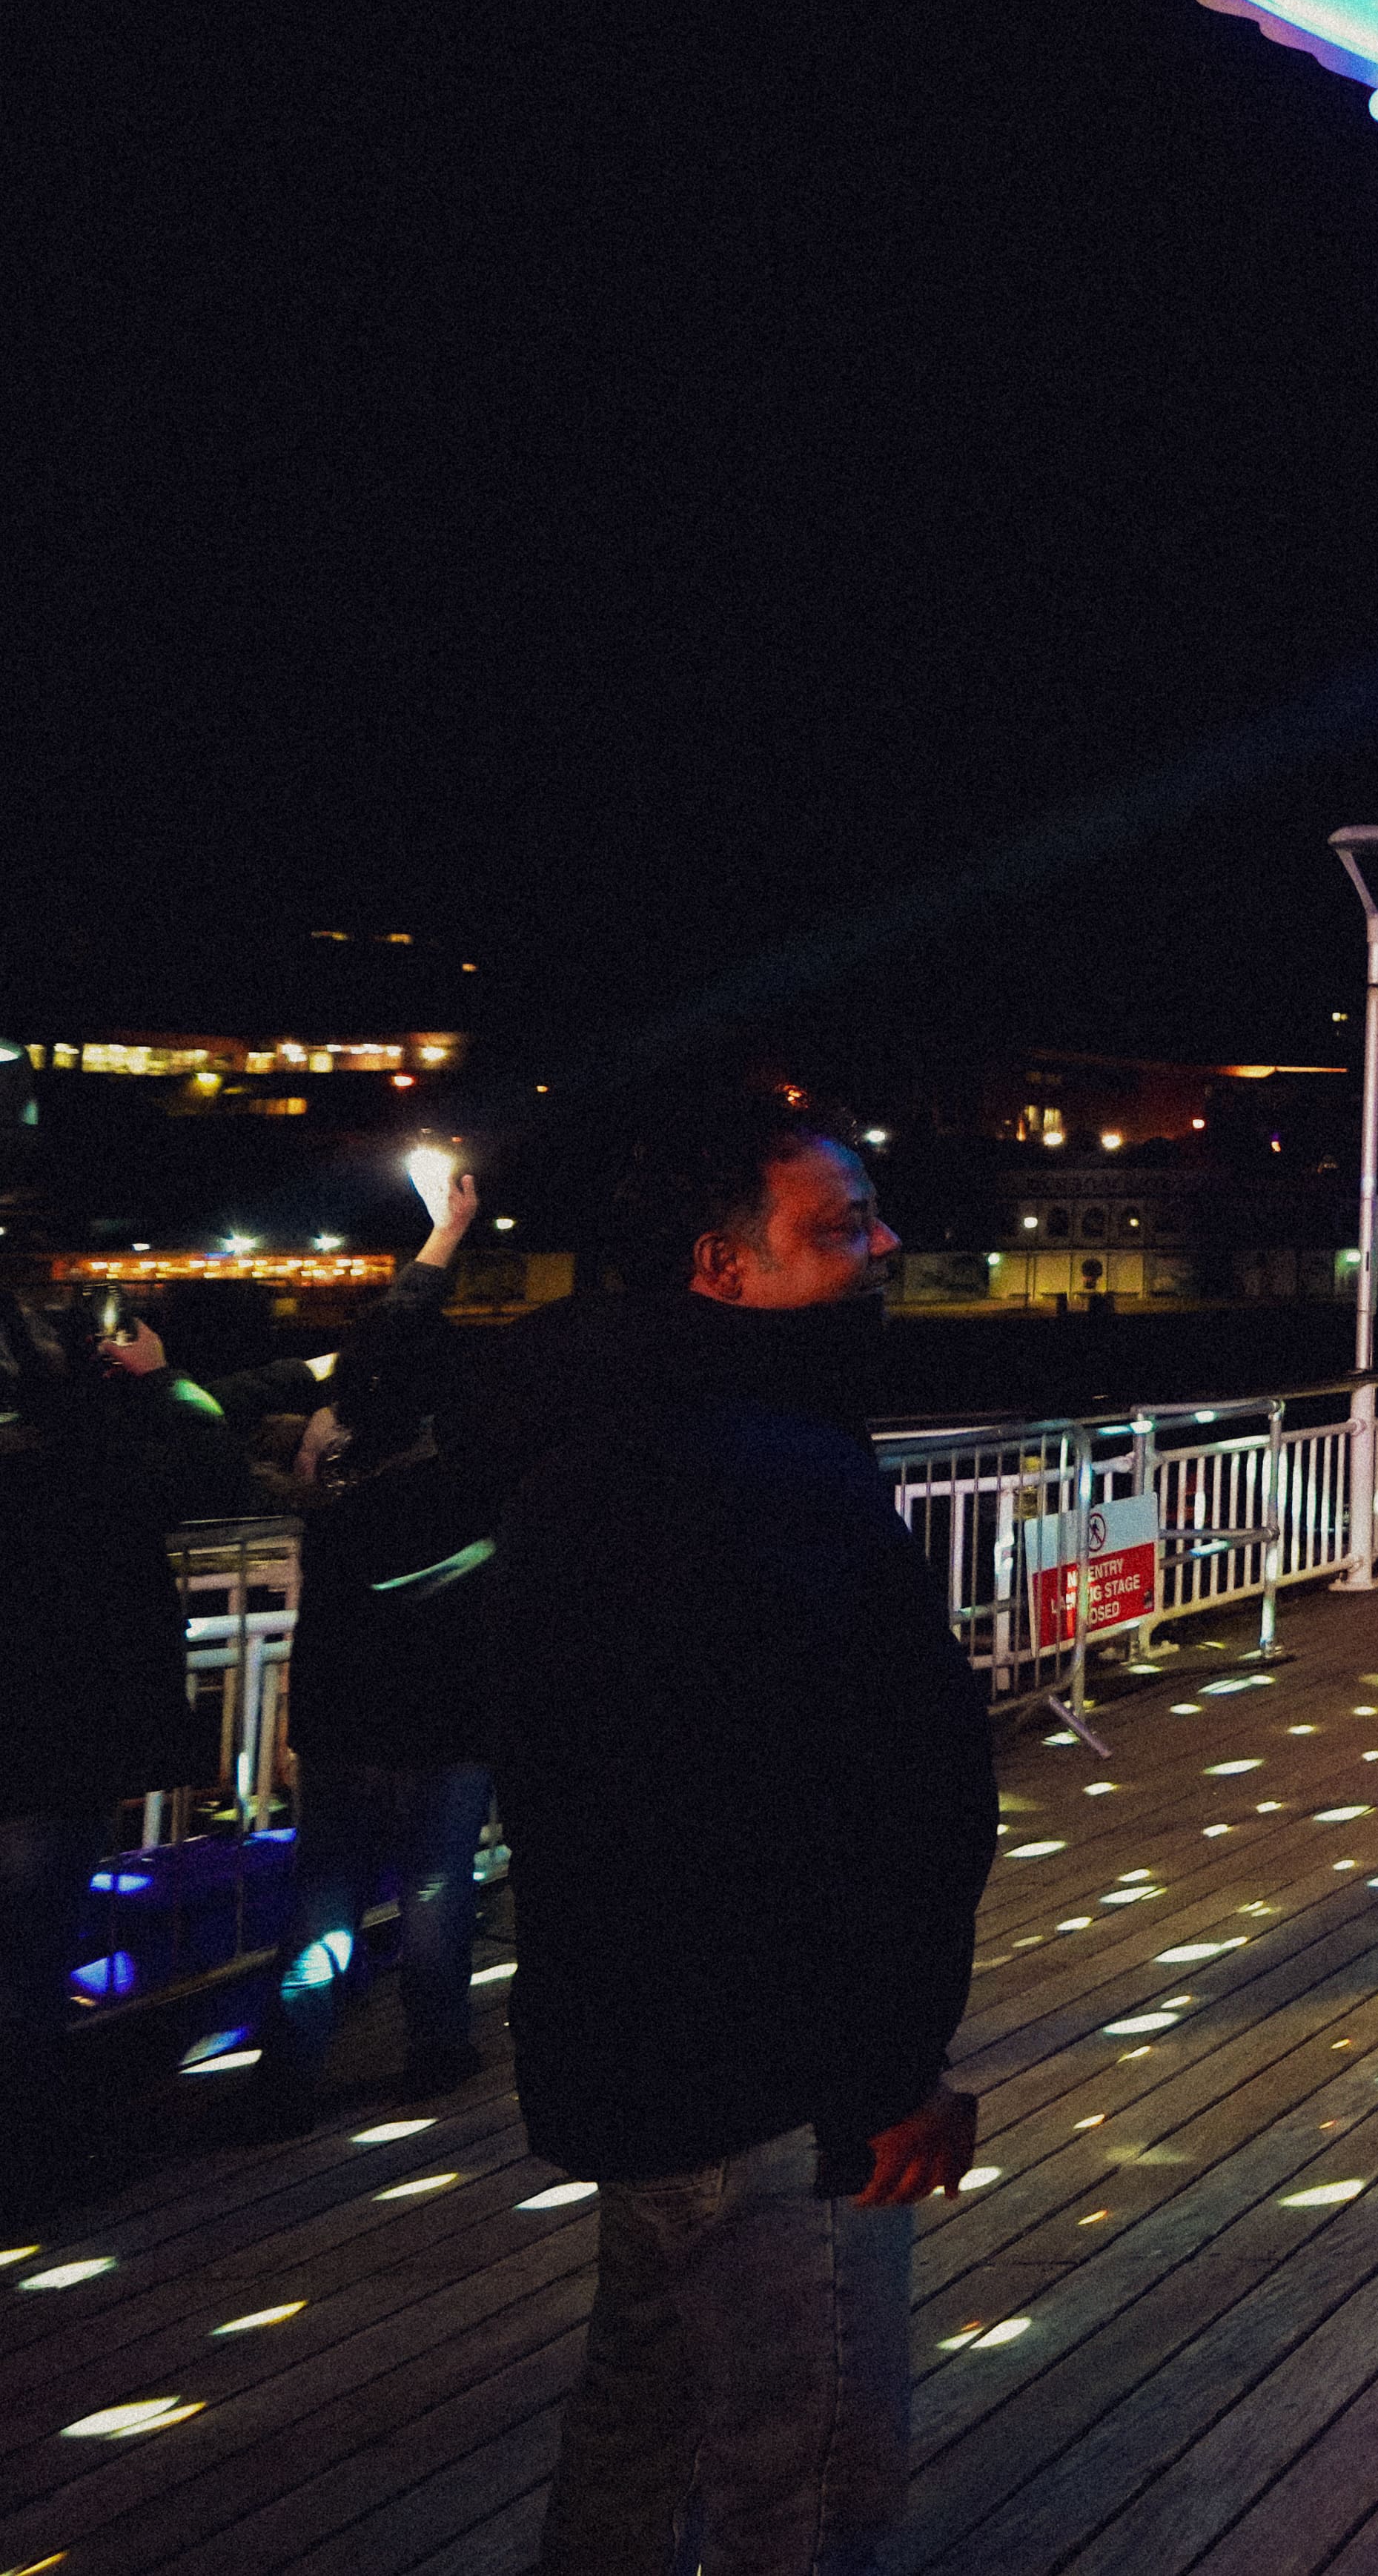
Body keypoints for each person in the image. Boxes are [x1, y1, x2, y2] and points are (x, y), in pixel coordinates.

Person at [491, 1093, 994, 2576]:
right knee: (802, 2466)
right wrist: (885, 2073)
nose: (884, 1247)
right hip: (774, 2070)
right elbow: (828, 1799)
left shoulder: (597, 1433)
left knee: (644, 2417)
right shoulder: (750, 1466)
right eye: (842, 1228)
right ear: (724, 1267)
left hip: (644, 2046)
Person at [248, 1161, 503, 2135]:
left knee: (326, 1890)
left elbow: (386, 1337)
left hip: (342, 1708)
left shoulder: (332, 1477)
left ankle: (290, 2072)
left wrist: (440, 1240)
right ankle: (435, 2046)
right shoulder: (470, 1473)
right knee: (437, 1881)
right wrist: (449, 1235)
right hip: (450, 1710)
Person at [0, 1288, 250, 2220]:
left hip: (46, 1743)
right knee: (30, 1960)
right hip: (52, 1745)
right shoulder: (85, 1466)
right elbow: (204, 1479)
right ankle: (30, 2161)